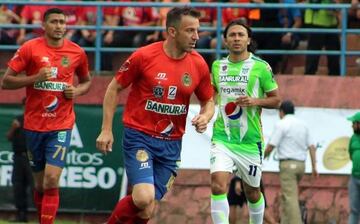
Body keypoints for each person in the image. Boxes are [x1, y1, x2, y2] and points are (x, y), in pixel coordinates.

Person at [96, 6, 215, 224]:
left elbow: (209, 100)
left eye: (198, 31)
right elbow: (114, 88)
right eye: (190, 31)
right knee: (143, 197)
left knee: (146, 210)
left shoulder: (198, 63)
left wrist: (206, 116)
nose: (196, 37)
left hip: (171, 144)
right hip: (140, 136)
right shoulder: (144, 56)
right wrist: (106, 129)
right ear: (172, 32)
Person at [1, 8, 91, 224]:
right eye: (54, 22)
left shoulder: (77, 52)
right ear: (44, 25)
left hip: (61, 125)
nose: (59, 26)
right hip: (33, 125)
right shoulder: (30, 48)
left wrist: (77, 91)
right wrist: (34, 78)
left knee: (52, 180)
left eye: (62, 22)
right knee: (40, 185)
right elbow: (6, 82)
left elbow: (86, 81)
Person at [210, 19, 281, 224]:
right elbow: (210, 97)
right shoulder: (217, 66)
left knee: (252, 192)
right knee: (217, 186)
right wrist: (205, 114)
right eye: (232, 35)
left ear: (249, 40)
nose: (236, 38)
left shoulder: (261, 67)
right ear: (225, 41)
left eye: (241, 35)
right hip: (223, 137)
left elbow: (277, 100)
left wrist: (255, 101)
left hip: (250, 142)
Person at [264, 100, 318, 224]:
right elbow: (312, 146)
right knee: (287, 197)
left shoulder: (282, 123)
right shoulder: (303, 124)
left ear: (281, 112)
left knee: (290, 198)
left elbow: (271, 145)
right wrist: (314, 166)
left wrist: (261, 158)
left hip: (288, 166)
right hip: (301, 166)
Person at [6, 98, 33, 223]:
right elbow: (9, 137)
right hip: (18, 157)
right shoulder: (18, 119)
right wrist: (13, 128)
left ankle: (42, 213)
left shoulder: (37, 120)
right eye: (25, 105)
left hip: (32, 158)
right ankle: (21, 214)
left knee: (35, 185)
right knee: (18, 186)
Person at [346, 112, 360, 224]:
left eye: (354, 123)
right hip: (354, 178)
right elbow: (351, 155)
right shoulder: (353, 138)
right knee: (354, 210)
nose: (352, 126)